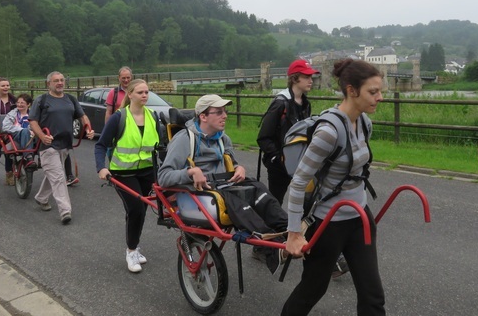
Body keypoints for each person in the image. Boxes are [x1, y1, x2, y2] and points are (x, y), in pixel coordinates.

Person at [281, 58, 385, 316]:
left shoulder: (364, 123)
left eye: (380, 91)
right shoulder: (329, 132)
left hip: (359, 217)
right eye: (373, 92)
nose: (379, 97)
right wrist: (294, 233)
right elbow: (299, 182)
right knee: (313, 289)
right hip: (329, 224)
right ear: (352, 90)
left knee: (373, 296)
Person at [158, 94, 288, 274]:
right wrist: (190, 172)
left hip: (223, 185)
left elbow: (231, 162)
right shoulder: (183, 139)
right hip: (200, 193)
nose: (225, 115)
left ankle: (289, 231)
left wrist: (238, 167)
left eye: (225, 111)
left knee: (257, 188)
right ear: (203, 116)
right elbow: (163, 176)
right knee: (236, 201)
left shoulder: (223, 138)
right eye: (218, 112)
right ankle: (272, 248)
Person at [95, 79, 161, 273]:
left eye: (147, 92)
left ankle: (135, 246)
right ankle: (131, 251)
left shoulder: (153, 116)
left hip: (148, 171)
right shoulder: (119, 118)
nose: (144, 95)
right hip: (123, 173)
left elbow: (161, 146)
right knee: (135, 210)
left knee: (143, 210)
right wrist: (101, 167)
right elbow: (101, 145)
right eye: (140, 92)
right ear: (129, 94)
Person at [29, 71, 94, 225]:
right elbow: (33, 121)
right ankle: (65, 211)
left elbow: (82, 116)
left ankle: (41, 198)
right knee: (59, 177)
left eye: (61, 80)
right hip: (47, 145)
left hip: (65, 145)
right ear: (48, 84)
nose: (59, 83)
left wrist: (88, 129)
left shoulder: (70, 99)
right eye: (56, 81)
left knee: (55, 173)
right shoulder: (42, 100)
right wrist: (42, 136)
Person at [257, 59, 320, 205]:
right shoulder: (280, 103)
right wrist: (279, 158)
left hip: (299, 162)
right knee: (275, 202)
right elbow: (263, 137)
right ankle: (273, 228)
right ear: (294, 78)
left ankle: (302, 227)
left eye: (311, 77)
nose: (311, 80)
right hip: (279, 165)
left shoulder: (305, 103)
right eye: (306, 77)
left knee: (307, 201)